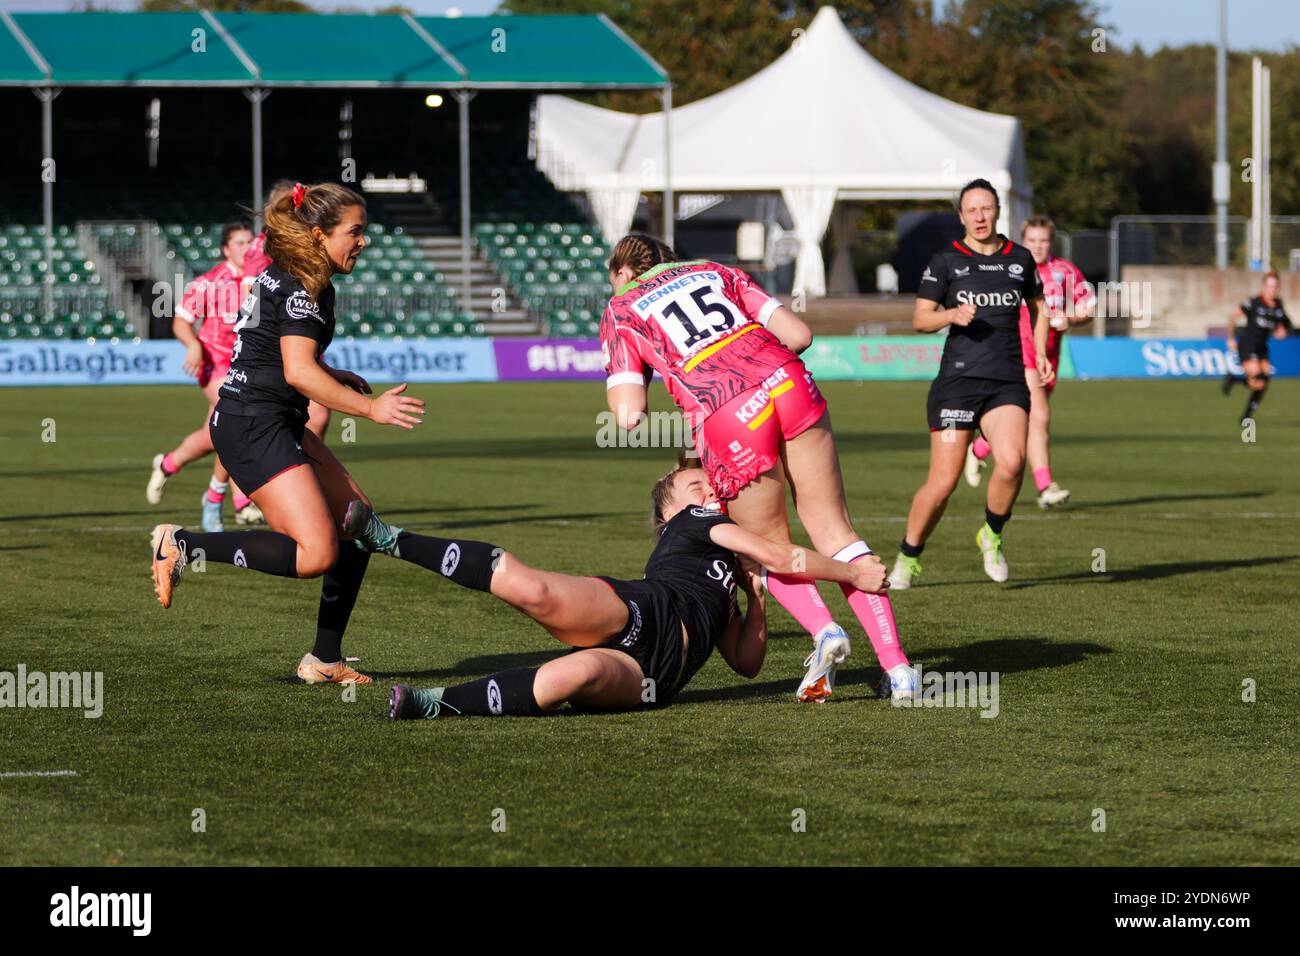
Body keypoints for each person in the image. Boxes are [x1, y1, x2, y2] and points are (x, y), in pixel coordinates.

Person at [595, 235, 916, 703]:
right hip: (788, 380)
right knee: (837, 533)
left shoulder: (622, 307)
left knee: (768, 547)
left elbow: (628, 413)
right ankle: (899, 669)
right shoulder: (713, 267)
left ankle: (825, 631)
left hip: (727, 409)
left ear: (623, 273)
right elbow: (800, 336)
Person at [148, 182, 425, 685]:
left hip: (269, 417)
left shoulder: (295, 277)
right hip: (252, 424)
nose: (364, 242)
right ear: (319, 235)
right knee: (317, 553)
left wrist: (331, 373)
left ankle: (324, 659)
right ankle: (183, 543)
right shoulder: (304, 288)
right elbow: (297, 372)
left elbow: (280, 354)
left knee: (357, 526)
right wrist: (371, 408)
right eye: (355, 232)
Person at [365, 465, 889, 719]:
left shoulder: (726, 562)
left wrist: (753, 599)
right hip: (641, 611)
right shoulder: (693, 523)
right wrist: (852, 573)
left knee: (573, 675)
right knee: (534, 590)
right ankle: (391, 539)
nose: (711, 492)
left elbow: (747, 663)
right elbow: (782, 556)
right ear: (669, 512)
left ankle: (438, 704)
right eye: (696, 487)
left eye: (710, 486)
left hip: (658, 678)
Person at [888, 179, 1050, 589]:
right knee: (943, 483)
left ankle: (991, 535)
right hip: (957, 383)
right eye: (972, 210)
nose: (980, 217)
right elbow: (920, 318)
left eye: (987, 208)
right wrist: (950, 316)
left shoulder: (1021, 258)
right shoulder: (946, 261)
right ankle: (909, 555)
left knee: (1012, 461)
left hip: (1007, 380)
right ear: (961, 216)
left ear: (998, 212)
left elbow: (1040, 308)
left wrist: (1042, 352)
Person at [963, 216, 1094, 509]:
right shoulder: (1012, 268)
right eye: (1032, 240)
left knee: (1023, 420)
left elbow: (1089, 307)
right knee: (1040, 415)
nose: (1037, 246)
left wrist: (1071, 317)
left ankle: (980, 446)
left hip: (1050, 354)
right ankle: (1046, 486)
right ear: (1024, 241)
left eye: (1043, 240)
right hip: (1018, 350)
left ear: (1051, 241)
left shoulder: (1064, 271)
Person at [145, 223, 263, 531]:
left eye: (250, 241)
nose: (246, 247)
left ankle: (167, 463)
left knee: (214, 436)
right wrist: (193, 345)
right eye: (239, 242)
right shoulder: (210, 282)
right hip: (214, 363)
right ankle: (233, 501)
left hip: (245, 366)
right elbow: (181, 322)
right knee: (238, 420)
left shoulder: (263, 280)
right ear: (226, 249)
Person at [244, 179, 332, 443]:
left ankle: (297, 469)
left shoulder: (304, 245)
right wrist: (372, 410)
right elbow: (253, 298)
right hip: (273, 343)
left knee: (311, 417)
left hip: (294, 336)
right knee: (252, 418)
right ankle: (225, 485)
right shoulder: (263, 246)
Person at [1223, 269, 1291, 425]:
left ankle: (1246, 413)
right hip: (1247, 345)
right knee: (1258, 379)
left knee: (1263, 383)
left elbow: (1284, 324)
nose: (1272, 290)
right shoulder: (1254, 303)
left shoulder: (1278, 306)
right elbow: (1233, 317)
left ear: (1278, 288)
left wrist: (1281, 330)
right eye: (1269, 286)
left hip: (1262, 347)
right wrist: (1231, 337)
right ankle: (1235, 385)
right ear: (1263, 287)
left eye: (1275, 287)